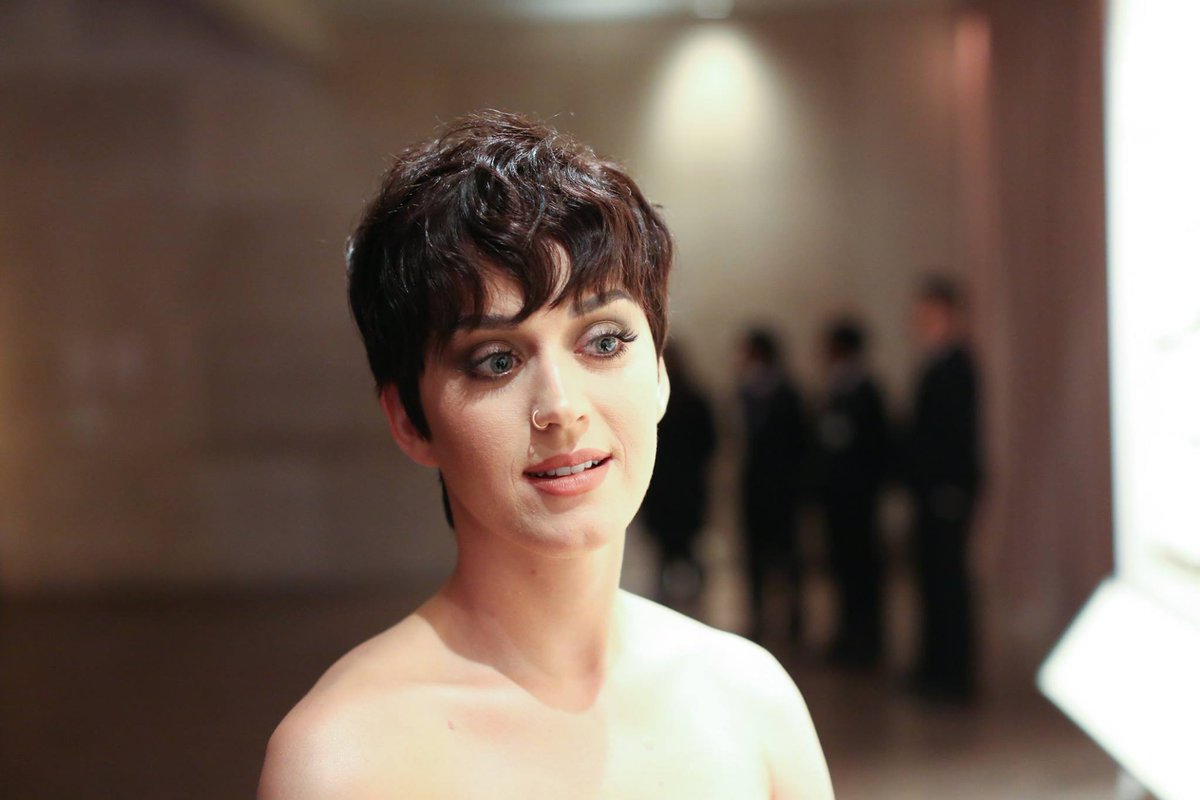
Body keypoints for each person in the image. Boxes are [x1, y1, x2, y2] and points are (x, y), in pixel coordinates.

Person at [257, 111, 834, 799]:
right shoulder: (342, 760)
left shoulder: (752, 702)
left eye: (604, 342)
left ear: (660, 373)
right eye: (496, 360)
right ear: (410, 420)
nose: (561, 406)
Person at [905, 276, 982, 703]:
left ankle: (953, 674)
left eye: (930, 315)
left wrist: (952, 488)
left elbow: (957, 436)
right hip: (931, 490)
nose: (922, 322)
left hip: (946, 493)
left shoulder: (957, 366)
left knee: (948, 582)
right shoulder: (937, 365)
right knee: (932, 581)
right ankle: (935, 667)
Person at [814, 319, 889, 670]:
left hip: (859, 499)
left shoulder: (867, 391)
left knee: (862, 572)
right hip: (838, 498)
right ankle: (848, 636)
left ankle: (867, 642)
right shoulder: (834, 389)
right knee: (842, 569)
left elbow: (876, 446)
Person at [738, 328, 810, 645]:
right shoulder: (745, 392)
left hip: (782, 491)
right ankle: (758, 617)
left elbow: (798, 443)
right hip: (755, 488)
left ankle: (794, 621)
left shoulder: (788, 393)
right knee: (754, 557)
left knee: (788, 559)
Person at [639, 340, 717, 609]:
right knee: (669, 551)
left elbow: (709, 444)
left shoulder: (692, 400)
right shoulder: (654, 400)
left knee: (684, 550)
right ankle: (675, 598)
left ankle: (688, 598)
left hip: (680, 488)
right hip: (667, 488)